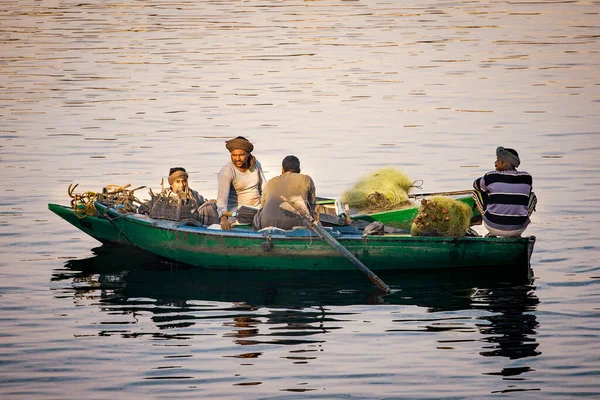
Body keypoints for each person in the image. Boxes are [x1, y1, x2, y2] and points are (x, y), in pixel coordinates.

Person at [473, 146, 536, 237]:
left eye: (498, 160)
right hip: (519, 228)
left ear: (504, 164)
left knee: (476, 193)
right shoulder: (527, 178)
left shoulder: (491, 176)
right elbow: (527, 192)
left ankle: (493, 231)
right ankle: (515, 230)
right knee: (532, 196)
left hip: (492, 225)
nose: (495, 163)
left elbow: (475, 185)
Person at [252, 155, 316, 231]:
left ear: (282, 170)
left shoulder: (270, 182)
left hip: (266, 223)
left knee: (258, 214)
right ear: (299, 170)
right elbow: (312, 205)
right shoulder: (306, 179)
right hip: (294, 224)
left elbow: (262, 206)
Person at [217, 136, 267, 230]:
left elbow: (264, 188)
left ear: (248, 154)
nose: (237, 159)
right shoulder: (227, 171)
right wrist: (223, 218)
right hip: (237, 213)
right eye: (234, 155)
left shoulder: (256, 165)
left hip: (258, 209)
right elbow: (221, 199)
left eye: (241, 155)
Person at [139, 167, 219, 225]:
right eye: (177, 182)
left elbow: (205, 203)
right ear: (171, 183)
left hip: (195, 226)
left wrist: (212, 202)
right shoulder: (163, 197)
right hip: (174, 227)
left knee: (209, 206)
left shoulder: (194, 194)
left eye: (184, 181)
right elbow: (144, 208)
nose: (181, 185)